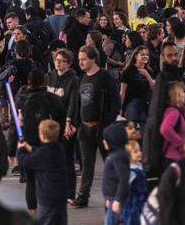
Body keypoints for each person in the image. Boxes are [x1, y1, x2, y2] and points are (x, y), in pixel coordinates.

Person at [71, 45, 121, 208]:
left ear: (93, 59)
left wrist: (107, 124)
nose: (81, 63)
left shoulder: (105, 77)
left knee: (110, 162)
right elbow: (78, 102)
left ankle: (113, 195)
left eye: (84, 59)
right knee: (87, 163)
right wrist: (76, 123)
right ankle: (83, 196)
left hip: (102, 127)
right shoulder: (82, 79)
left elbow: (115, 102)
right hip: (85, 129)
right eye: (79, 60)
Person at [16, 119, 68, 225]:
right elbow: (40, 153)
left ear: (42, 135)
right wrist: (29, 147)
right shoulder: (59, 149)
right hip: (61, 197)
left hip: (47, 199)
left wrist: (20, 149)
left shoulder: (43, 153)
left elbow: (25, 161)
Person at [143, 41, 182, 177]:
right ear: (163, 57)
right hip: (167, 141)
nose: (173, 58)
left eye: (176, 54)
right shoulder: (163, 78)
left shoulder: (178, 73)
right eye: (170, 55)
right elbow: (156, 113)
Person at [46, 49, 80, 203]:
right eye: (56, 60)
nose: (58, 63)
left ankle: (69, 193)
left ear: (69, 63)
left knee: (67, 159)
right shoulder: (50, 77)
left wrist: (69, 122)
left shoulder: (73, 80)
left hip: (66, 124)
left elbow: (73, 103)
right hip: (51, 124)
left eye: (61, 61)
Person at [101, 121, 130, 225]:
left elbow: (124, 178)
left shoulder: (117, 156)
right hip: (111, 198)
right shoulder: (114, 155)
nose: (103, 142)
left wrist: (117, 200)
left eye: (106, 140)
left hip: (116, 199)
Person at [120, 46, 154, 126]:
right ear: (136, 56)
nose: (145, 56)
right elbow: (123, 91)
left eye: (147, 55)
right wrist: (120, 108)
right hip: (131, 102)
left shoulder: (149, 71)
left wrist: (147, 75)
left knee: (144, 128)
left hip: (146, 103)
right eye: (142, 54)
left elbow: (153, 88)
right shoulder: (127, 71)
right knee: (133, 127)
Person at [160, 82, 185, 166]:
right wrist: (180, 144)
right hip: (173, 157)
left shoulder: (175, 111)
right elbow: (165, 129)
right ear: (177, 95)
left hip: (174, 157)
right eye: (182, 92)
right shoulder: (173, 112)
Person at [123, 140, 148, 225]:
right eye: (135, 152)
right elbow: (124, 186)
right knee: (133, 220)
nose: (139, 153)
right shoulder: (131, 171)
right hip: (133, 201)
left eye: (139, 150)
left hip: (141, 199)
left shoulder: (139, 166)